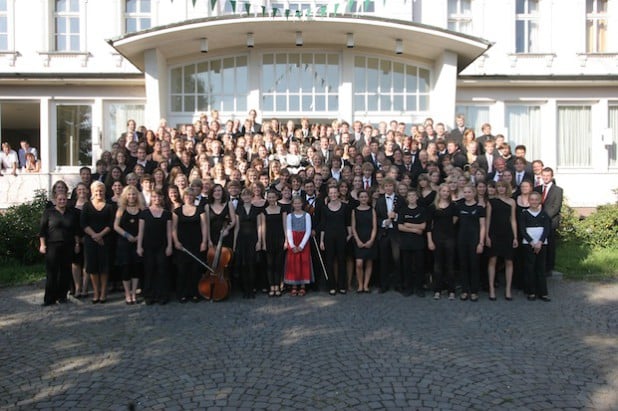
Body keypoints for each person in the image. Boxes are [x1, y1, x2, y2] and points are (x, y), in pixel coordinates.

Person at [38, 190, 80, 306]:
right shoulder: (48, 212)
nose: (62, 201)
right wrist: (42, 244)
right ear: (55, 200)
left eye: (64, 199)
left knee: (65, 272)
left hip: (68, 245)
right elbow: (42, 230)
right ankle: (49, 299)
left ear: (67, 200)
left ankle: (62, 296)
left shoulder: (71, 213)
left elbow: (76, 230)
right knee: (52, 273)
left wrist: (77, 244)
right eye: (60, 199)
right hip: (52, 245)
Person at [81, 181, 115, 304]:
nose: (99, 193)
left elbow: (111, 224)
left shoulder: (109, 206)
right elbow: (84, 224)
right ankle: (96, 292)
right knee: (93, 267)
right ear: (92, 192)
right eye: (96, 191)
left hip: (105, 240)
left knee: (104, 267)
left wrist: (100, 235)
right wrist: (95, 235)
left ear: (104, 191)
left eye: (101, 190)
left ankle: (103, 293)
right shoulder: (86, 206)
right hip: (91, 240)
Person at [137, 189, 173, 305]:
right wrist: (139, 246)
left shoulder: (167, 214)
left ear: (162, 198)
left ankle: (162, 295)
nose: (156, 199)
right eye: (154, 197)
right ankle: (149, 295)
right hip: (148, 246)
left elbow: (169, 232)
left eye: (159, 197)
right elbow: (141, 231)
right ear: (151, 198)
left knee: (162, 270)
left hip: (162, 246)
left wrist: (169, 246)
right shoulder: (144, 213)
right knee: (149, 270)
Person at [172, 187, 208, 303]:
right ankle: (182, 293)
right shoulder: (177, 211)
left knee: (195, 270)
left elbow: (204, 227)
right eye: (187, 196)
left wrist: (204, 242)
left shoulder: (200, 210)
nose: (189, 197)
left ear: (194, 197)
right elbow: (173, 228)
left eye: (191, 196)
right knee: (182, 270)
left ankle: (195, 293)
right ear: (183, 197)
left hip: (196, 243)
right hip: (182, 244)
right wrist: (176, 241)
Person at [485, 181, 519, 301]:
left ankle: (508, 290)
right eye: (498, 187)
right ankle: (492, 289)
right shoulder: (491, 202)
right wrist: (487, 236)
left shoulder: (512, 202)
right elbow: (487, 220)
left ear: (507, 188)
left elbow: (513, 220)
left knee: (509, 261)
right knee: (492, 260)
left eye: (503, 187)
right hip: (494, 233)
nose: (501, 189)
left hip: (507, 234)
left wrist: (515, 237)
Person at [113, 185, 145, 305]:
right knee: (126, 268)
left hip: (138, 242)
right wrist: (127, 235)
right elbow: (116, 226)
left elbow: (145, 225)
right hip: (124, 243)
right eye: (129, 194)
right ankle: (127, 293)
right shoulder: (121, 209)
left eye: (133, 194)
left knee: (136, 268)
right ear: (125, 196)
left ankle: (133, 293)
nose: (131, 196)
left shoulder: (141, 209)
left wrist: (138, 237)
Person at [427, 183, 458, 300]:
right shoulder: (432, 207)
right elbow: (429, 225)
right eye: (443, 191)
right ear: (439, 192)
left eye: (447, 191)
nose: (445, 193)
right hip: (436, 238)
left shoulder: (454, 206)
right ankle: (437, 289)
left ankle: (451, 290)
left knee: (450, 264)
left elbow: (454, 220)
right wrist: (430, 241)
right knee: (437, 265)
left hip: (450, 237)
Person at [518, 191, 552, 302]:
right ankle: (531, 292)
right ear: (528, 201)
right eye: (531, 199)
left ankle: (543, 293)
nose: (533, 202)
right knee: (530, 268)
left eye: (536, 200)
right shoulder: (524, 214)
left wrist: (540, 242)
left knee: (541, 268)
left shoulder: (544, 214)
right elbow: (522, 230)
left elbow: (547, 229)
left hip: (542, 244)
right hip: (528, 244)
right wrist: (532, 242)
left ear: (539, 201)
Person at [456, 184, 486, 302]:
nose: (467, 194)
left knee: (474, 265)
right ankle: (464, 290)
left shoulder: (479, 208)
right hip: (462, 239)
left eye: (469, 192)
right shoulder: (459, 206)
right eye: (465, 192)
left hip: (475, 240)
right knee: (463, 265)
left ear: (474, 193)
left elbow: (483, 226)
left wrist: (481, 242)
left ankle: (474, 291)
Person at [320, 185, 352, 295]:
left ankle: (342, 286)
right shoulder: (324, 208)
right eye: (331, 193)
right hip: (328, 237)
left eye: (335, 193)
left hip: (342, 236)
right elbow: (323, 226)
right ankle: (331, 286)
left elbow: (348, 222)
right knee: (329, 262)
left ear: (338, 193)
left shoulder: (345, 207)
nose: (333, 195)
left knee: (342, 260)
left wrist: (350, 234)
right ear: (328, 194)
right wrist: (321, 241)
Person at [397, 191, 427, 297]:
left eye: (414, 195)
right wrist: (414, 229)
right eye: (409, 195)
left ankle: (419, 288)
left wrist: (408, 224)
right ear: (407, 198)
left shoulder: (422, 210)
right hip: (406, 242)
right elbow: (400, 226)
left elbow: (423, 226)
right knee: (407, 266)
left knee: (419, 266)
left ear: (417, 197)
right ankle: (408, 287)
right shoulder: (402, 210)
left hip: (418, 243)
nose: (412, 197)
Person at [375, 177, 402, 293]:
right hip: (384, 233)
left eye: (390, 186)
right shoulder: (380, 201)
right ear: (383, 188)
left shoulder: (400, 200)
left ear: (393, 187)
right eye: (386, 186)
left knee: (397, 259)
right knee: (384, 260)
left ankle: (398, 284)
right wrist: (383, 222)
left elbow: (405, 215)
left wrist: (395, 216)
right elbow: (376, 217)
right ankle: (383, 285)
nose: (388, 188)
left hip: (396, 233)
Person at [284, 196, 313, 296]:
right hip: (293, 240)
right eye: (295, 203)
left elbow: (308, 230)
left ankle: (303, 285)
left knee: (303, 262)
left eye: (299, 203)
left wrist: (301, 245)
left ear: (302, 204)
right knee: (293, 264)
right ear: (292, 205)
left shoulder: (307, 215)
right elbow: (288, 230)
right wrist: (292, 245)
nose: (297, 205)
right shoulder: (289, 216)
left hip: (303, 242)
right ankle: (294, 285)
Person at [537, 167, 563, 275]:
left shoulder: (558, 190)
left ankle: (549, 268)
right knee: (540, 244)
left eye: (548, 176)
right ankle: (540, 266)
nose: (546, 178)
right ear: (541, 176)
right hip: (537, 221)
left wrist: (544, 217)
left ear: (552, 177)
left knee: (550, 245)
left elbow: (556, 207)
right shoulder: (537, 189)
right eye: (544, 175)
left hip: (550, 221)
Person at [351, 190, 377, 293]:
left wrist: (371, 240)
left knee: (369, 262)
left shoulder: (372, 210)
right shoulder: (354, 211)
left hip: (370, 237)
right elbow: (353, 227)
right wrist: (357, 240)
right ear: (358, 198)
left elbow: (374, 227)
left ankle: (366, 285)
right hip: (358, 238)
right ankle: (360, 284)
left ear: (368, 198)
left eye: (365, 197)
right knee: (359, 263)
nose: (363, 199)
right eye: (361, 197)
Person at [262, 190, 287, 297]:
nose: (271, 199)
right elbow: (262, 228)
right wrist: (263, 242)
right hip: (268, 239)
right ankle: (271, 286)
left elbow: (285, 226)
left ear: (276, 198)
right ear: (267, 198)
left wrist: (286, 240)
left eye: (273, 197)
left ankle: (277, 285)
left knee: (278, 264)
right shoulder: (264, 211)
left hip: (280, 238)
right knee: (270, 264)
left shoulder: (282, 210)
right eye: (269, 197)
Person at [70, 182, 90, 299]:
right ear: (76, 192)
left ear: (87, 191)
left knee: (87, 264)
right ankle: (77, 287)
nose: (82, 191)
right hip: (75, 238)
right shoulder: (72, 206)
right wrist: (77, 240)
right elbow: (71, 224)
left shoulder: (91, 204)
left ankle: (85, 288)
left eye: (84, 189)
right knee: (76, 263)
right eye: (79, 190)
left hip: (88, 237)